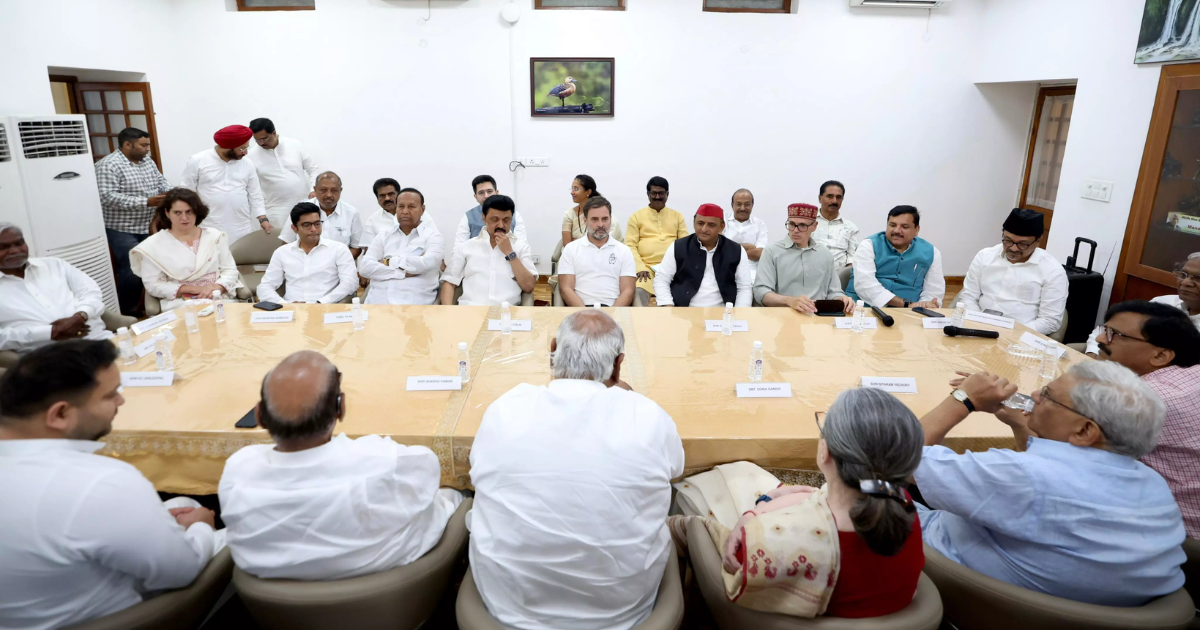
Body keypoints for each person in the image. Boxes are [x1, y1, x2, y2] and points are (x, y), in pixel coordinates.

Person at [469, 310, 684, 630]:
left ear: (553, 349)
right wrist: (627, 397)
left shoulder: (507, 408)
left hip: (507, 611)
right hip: (623, 615)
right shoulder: (646, 416)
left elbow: (476, 474)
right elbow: (676, 468)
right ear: (618, 365)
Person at [915, 365, 1185, 606]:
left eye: (1047, 396)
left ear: (1085, 431)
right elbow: (1045, 491)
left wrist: (964, 398)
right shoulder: (1153, 483)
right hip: (1074, 609)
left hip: (953, 581)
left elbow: (902, 456)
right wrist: (1021, 424)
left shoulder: (1020, 476)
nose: (1033, 395)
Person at [0, 341, 219, 630]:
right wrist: (202, 526)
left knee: (183, 504)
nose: (121, 401)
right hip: (121, 617)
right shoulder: (99, 481)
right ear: (60, 414)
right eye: (111, 395)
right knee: (229, 530)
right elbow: (183, 571)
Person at [219, 351, 461, 580]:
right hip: (392, 589)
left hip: (272, 602)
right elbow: (429, 469)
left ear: (259, 416)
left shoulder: (238, 471)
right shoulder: (383, 460)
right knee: (455, 492)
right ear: (341, 408)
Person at [721, 388, 925, 618]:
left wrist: (755, 512)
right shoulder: (899, 502)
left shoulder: (772, 547)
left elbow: (735, 571)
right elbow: (829, 501)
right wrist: (776, 503)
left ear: (825, 451)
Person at [1092, 300, 1200, 539]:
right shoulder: (1191, 373)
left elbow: (1066, 448)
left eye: (1115, 335)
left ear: (1160, 355)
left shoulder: (1142, 399)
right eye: (1105, 330)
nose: (1100, 339)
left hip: (1170, 528)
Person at [94, 127, 172, 315]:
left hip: (148, 225)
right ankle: (128, 312)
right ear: (127, 145)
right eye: (143, 145)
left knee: (154, 265)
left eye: (148, 145)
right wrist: (145, 202)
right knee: (131, 268)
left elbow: (161, 182)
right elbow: (107, 196)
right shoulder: (108, 165)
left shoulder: (147, 161)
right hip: (122, 228)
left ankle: (148, 304)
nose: (148, 149)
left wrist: (169, 192)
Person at [0, 224, 112, 353]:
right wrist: (49, 332)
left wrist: (79, 317)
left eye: (19, 243)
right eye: (3, 247)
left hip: (98, 339)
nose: (14, 250)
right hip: (47, 355)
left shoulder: (54, 264)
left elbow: (91, 292)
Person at [957, 209, 1067, 335]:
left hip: (1019, 336)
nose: (1013, 248)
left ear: (1038, 240)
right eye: (1008, 240)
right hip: (975, 327)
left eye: (1023, 244)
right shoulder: (985, 256)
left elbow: (1050, 321)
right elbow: (969, 297)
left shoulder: (1053, 271)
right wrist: (976, 324)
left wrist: (1011, 334)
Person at [130, 188, 242, 311]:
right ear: (167, 213)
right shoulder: (152, 246)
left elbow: (230, 270)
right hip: (179, 303)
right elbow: (154, 285)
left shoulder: (215, 237)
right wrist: (196, 290)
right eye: (177, 213)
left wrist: (217, 287)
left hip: (218, 297)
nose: (184, 217)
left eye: (189, 211)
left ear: (197, 212)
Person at [1085, 253, 1200, 354]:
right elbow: (1106, 330)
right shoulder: (1164, 303)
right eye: (1183, 274)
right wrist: (1093, 353)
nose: (1185, 282)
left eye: (1198, 278)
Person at [754, 203, 853, 314]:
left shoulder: (824, 254)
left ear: (814, 226)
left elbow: (834, 292)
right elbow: (760, 292)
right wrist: (789, 301)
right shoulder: (772, 251)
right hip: (783, 316)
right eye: (792, 224)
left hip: (819, 317)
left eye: (802, 225)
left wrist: (841, 299)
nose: (795, 230)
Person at [441, 195, 536, 306]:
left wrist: (510, 253)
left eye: (506, 220)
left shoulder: (521, 247)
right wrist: (448, 312)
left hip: (506, 312)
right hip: (469, 310)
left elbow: (529, 286)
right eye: (495, 219)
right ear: (484, 218)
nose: (501, 225)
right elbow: (449, 282)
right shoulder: (467, 247)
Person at [181, 124, 269, 243]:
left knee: (242, 254)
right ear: (228, 146)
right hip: (209, 225)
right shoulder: (198, 160)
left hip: (242, 226)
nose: (245, 152)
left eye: (246, 148)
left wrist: (263, 219)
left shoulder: (247, 163)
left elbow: (255, 194)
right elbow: (186, 193)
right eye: (242, 149)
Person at [652, 204, 752, 308]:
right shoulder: (678, 247)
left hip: (723, 312)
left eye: (711, 225)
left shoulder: (736, 250)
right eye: (700, 223)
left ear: (721, 227)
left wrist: (739, 313)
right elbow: (662, 279)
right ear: (694, 223)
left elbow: (744, 287)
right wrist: (668, 306)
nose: (704, 229)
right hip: (683, 311)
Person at [257, 203, 357, 305]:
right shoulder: (282, 252)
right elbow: (265, 287)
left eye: (317, 224)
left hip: (326, 307)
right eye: (307, 225)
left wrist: (321, 303)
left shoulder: (338, 249)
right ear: (294, 228)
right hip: (291, 308)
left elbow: (350, 283)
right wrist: (285, 305)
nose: (314, 229)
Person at [845, 206, 944, 309]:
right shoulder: (869, 245)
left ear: (916, 230)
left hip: (911, 313)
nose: (897, 231)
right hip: (864, 309)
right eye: (892, 225)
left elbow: (934, 290)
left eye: (904, 227)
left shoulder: (931, 252)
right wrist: (907, 304)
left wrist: (923, 305)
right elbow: (865, 285)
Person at [359, 188, 444, 305]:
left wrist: (387, 262)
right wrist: (403, 272)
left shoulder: (433, 237)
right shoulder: (383, 236)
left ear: (422, 210)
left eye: (411, 207)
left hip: (414, 305)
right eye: (401, 206)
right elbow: (364, 267)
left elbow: (428, 262)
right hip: (377, 303)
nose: (405, 211)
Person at [558, 196, 636, 307]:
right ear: (585, 220)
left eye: (605, 219)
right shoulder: (571, 249)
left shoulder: (624, 251)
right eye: (595, 219)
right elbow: (566, 289)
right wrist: (585, 313)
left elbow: (628, 291)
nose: (600, 224)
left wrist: (611, 314)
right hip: (581, 310)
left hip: (613, 309)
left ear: (610, 219)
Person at [247, 118, 322, 228]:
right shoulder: (251, 156)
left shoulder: (294, 145)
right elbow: (252, 190)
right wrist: (262, 217)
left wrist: (313, 189)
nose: (261, 143)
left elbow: (313, 169)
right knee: (280, 239)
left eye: (264, 138)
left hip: (303, 205)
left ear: (273, 133)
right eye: (257, 140)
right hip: (275, 212)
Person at [627, 176, 690, 306]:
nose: (657, 197)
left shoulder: (677, 216)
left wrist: (680, 267)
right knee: (639, 290)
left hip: (672, 267)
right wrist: (640, 267)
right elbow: (630, 245)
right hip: (646, 269)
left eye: (661, 193)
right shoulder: (636, 216)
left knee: (684, 290)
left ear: (667, 194)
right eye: (653, 193)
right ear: (648, 194)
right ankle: (641, 319)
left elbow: (685, 244)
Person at [279, 172, 366, 258]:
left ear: (340, 190)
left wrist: (339, 262)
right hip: (303, 262)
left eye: (334, 190)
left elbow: (356, 248)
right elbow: (287, 243)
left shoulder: (351, 213)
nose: (329, 195)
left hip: (338, 264)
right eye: (323, 190)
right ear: (315, 189)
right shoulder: (300, 210)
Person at [452, 175, 528, 257]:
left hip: (507, 259)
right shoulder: (468, 217)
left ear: (496, 192)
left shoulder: (514, 215)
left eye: (489, 191)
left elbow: (523, 246)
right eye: (481, 193)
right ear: (476, 197)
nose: (486, 196)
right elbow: (458, 249)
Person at [562, 174, 624, 248]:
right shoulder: (569, 214)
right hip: (574, 252)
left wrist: (577, 241)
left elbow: (603, 243)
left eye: (576, 189)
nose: (572, 192)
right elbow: (567, 244)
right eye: (572, 189)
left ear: (588, 192)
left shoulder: (607, 219)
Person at [722, 188, 768, 282]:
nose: (743, 208)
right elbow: (718, 248)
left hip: (751, 270)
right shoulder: (722, 220)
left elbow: (760, 253)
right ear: (732, 205)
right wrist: (749, 247)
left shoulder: (760, 224)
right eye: (738, 204)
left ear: (752, 205)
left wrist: (730, 249)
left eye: (747, 204)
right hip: (725, 266)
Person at [811, 180, 859, 268]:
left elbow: (852, 258)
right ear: (820, 198)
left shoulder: (850, 228)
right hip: (810, 273)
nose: (834, 201)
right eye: (830, 196)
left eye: (838, 197)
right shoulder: (808, 223)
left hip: (839, 275)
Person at [362, 177, 402, 248]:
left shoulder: (415, 214)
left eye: (391, 194)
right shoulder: (372, 220)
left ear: (399, 195)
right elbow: (369, 249)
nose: (387, 198)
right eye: (382, 196)